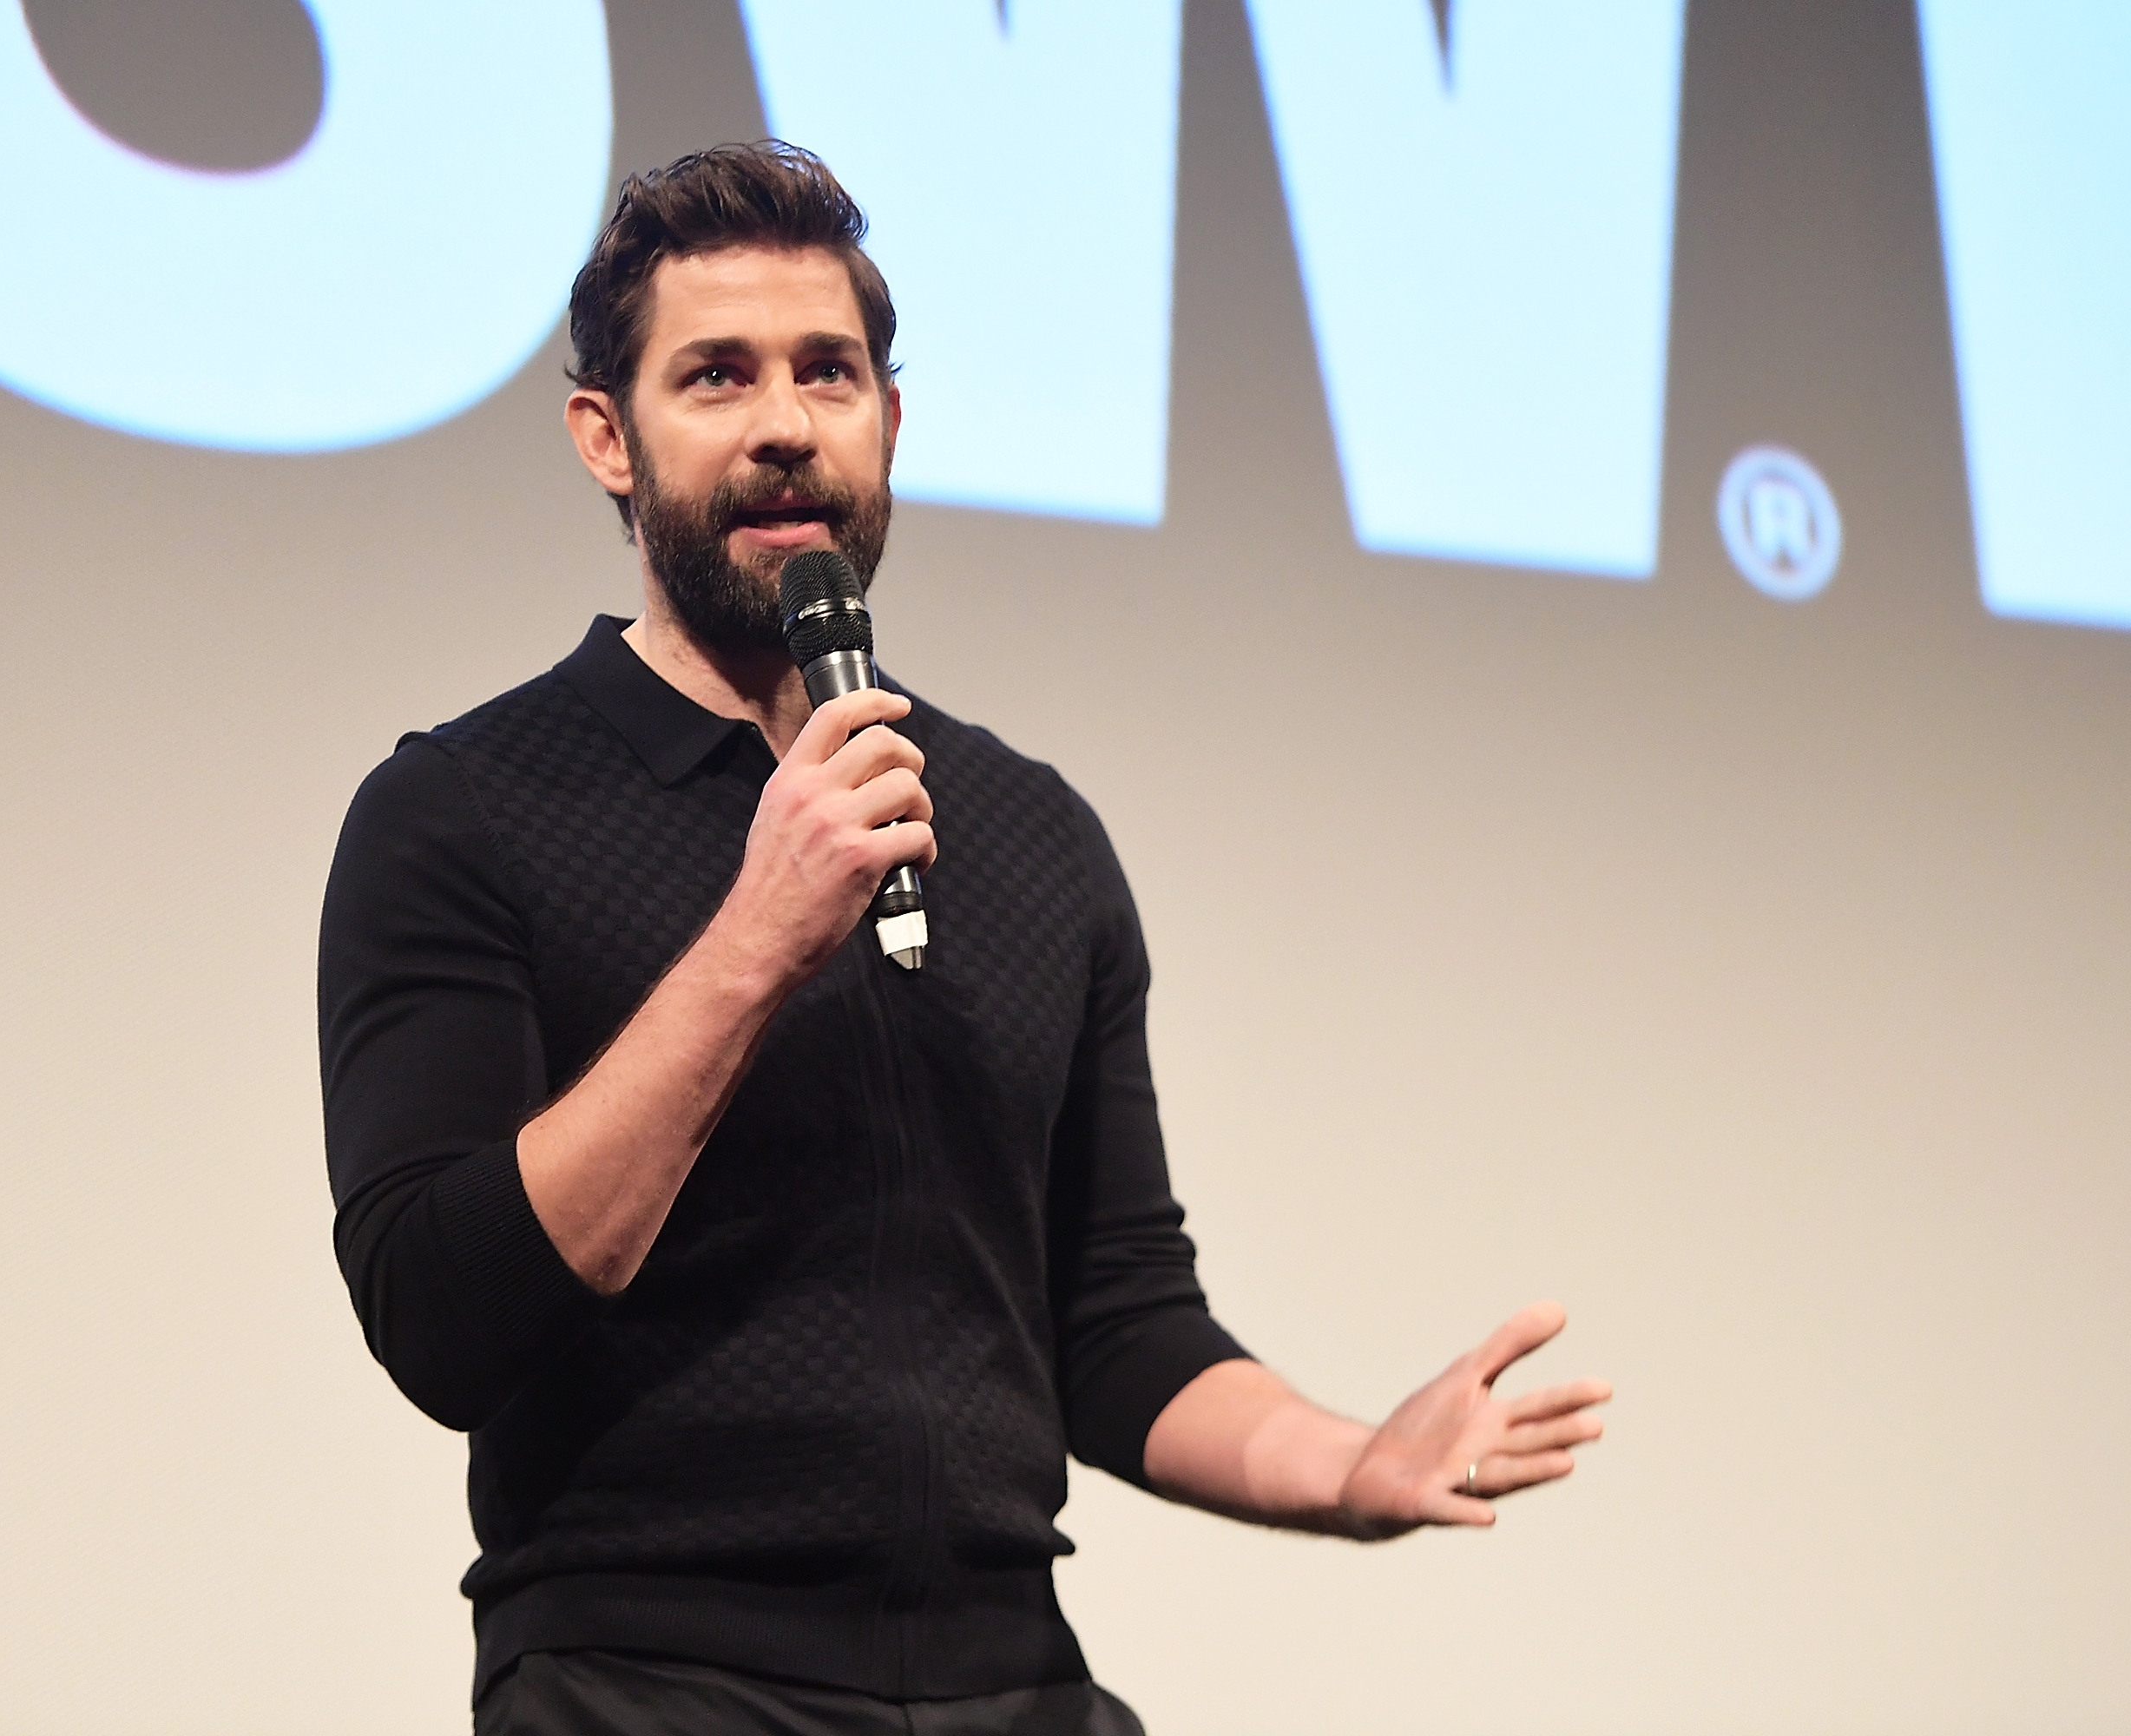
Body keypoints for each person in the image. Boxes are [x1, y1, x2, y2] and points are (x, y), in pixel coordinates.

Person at [318, 141, 1609, 1735]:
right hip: (646, 1683)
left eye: (830, 374)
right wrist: (755, 940)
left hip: (1014, 1683)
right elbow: (442, 1315)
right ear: (607, 438)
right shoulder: (464, 810)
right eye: (716, 376)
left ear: (891, 424)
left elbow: (1113, 1320)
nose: (786, 424)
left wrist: (1351, 1465)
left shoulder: (1026, 826)